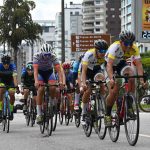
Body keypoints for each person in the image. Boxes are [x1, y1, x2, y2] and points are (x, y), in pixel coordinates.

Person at [104, 30, 146, 127]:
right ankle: (107, 114)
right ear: (121, 42)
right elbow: (109, 65)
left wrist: (141, 80)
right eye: (126, 43)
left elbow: (139, 65)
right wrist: (111, 79)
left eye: (130, 43)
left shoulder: (134, 48)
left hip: (120, 63)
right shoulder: (114, 47)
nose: (128, 46)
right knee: (114, 91)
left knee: (131, 74)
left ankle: (129, 105)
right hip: (109, 65)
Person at [33, 43, 64, 124]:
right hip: (40, 73)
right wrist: (36, 81)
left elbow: (59, 71)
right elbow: (35, 71)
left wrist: (60, 81)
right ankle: (39, 114)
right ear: (42, 53)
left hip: (49, 73)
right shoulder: (37, 56)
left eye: (48, 55)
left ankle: (52, 102)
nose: (47, 57)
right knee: (41, 89)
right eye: (45, 55)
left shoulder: (53, 56)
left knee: (53, 87)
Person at [80, 39, 109, 125]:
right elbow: (83, 71)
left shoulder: (106, 56)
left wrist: (107, 82)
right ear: (96, 50)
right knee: (88, 91)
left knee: (102, 85)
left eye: (105, 51)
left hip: (96, 69)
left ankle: (102, 106)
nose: (103, 53)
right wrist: (83, 83)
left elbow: (107, 69)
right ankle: (84, 114)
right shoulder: (89, 54)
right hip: (87, 71)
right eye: (101, 51)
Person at [0, 54, 19, 121]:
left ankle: (11, 110)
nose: (6, 65)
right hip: (2, 81)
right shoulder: (0, 66)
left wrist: (16, 86)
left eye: (7, 63)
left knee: (11, 94)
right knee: (1, 90)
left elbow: (14, 77)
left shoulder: (13, 66)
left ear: (9, 63)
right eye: (4, 63)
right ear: (2, 63)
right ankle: (0, 109)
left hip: (10, 81)